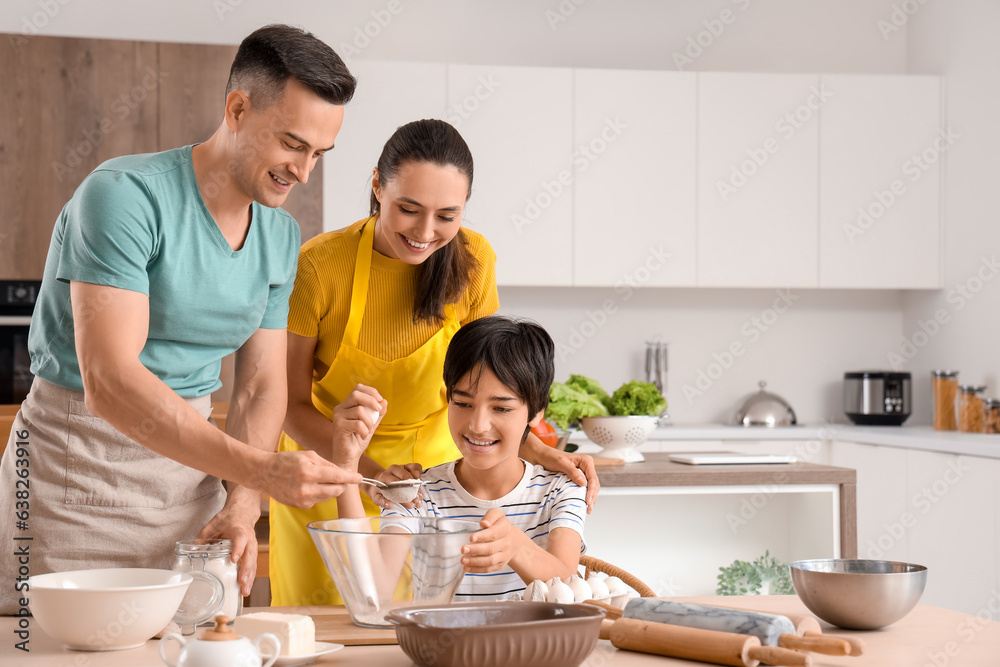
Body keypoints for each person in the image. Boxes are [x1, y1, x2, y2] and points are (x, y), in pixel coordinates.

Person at [0, 24, 361, 615]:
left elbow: (261, 386)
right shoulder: (124, 196)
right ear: (237, 108)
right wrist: (264, 472)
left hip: (196, 483)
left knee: (197, 646)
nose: (304, 171)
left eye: (320, 153)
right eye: (293, 144)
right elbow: (110, 381)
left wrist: (243, 501)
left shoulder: (279, 235)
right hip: (77, 475)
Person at [270, 119, 599, 606]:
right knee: (329, 624)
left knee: (417, 622)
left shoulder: (474, 260)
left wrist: (545, 453)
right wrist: (365, 467)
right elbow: (288, 402)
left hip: (428, 482)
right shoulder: (321, 266)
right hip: (332, 464)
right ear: (378, 185)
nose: (425, 233)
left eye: (447, 216)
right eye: (408, 209)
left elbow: (487, 379)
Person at [338, 315, 586, 601]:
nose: (478, 425)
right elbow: (373, 592)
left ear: (536, 411)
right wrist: (346, 466)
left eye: (501, 408)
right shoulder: (418, 493)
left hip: (535, 646)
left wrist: (517, 547)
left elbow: (570, 590)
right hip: (443, 646)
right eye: (463, 403)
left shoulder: (559, 490)